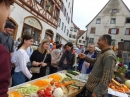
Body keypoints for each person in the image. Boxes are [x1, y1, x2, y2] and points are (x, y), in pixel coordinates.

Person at [0, 0, 14, 96]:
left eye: (13, 29)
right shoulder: (1, 35)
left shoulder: (11, 39)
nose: (9, 16)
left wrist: (9, 61)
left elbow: (11, 51)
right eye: (9, 5)